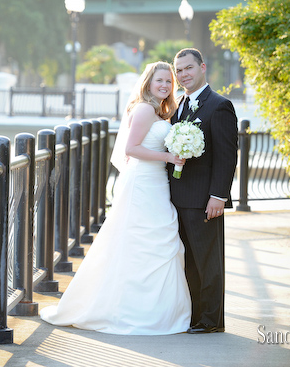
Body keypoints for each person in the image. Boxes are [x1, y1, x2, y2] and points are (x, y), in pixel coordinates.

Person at [39, 61, 192, 335]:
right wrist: (168, 156)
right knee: (137, 243)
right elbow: (131, 149)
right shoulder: (145, 109)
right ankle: (125, 309)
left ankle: (154, 311)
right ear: (148, 82)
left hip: (156, 183)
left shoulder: (159, 112)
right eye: (160, 80)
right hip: (142, 184)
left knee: (157, 242)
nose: (165, 85)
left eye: (169, 81)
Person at [169, 48, 238, 334]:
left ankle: (210, 320)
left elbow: (226, 155)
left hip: (203, 200)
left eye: (188, 68)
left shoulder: (219, 105)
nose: (184, 74)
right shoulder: (179, 106)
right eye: (179, 70)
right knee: (188, 264)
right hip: (177, 199)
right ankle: (194, 316)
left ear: (202, 68)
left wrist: (218, 196)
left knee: (207, 262)